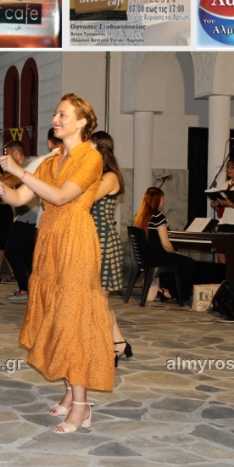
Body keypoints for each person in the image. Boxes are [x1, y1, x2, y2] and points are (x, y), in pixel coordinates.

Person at [0, 93, 115, 435]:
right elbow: (20, 197)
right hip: (50, 242)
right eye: (56, 114)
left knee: (73, 319)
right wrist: (0, 188)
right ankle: (71, 393)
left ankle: (81, 406)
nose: (55, 119)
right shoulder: (50, 161)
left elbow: (60, 197)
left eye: (63, 115)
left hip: (76, 240)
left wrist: (19, 170)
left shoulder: (91, 157)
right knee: (57, 317)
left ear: (82, 122)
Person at [89, 131, 132, 363]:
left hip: (103, 241)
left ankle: (106, 348)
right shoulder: (98, 174)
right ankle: (119, 343)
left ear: (100, 150)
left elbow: (86, 197)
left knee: (98, 302)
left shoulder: (110, 177)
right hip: (92, 239)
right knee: (98, 301)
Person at [5, 131, 63, 301]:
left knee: (14, 251)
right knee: (29, 254)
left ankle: (27, 288)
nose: (7, 158)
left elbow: (15, 183)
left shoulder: (36, 163)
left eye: (8, 154)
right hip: (39, 218)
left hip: (31, 217)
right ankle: (36, 288)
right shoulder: (48, 161)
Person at [134, 187, 195, 304]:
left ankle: (166, 290)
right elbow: (166, 245)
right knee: (188, 262)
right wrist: (174, 252)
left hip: (145, 257)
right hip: (156, 258)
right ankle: (181, 295)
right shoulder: (158, 217)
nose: (164, 200)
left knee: (173, 259)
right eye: (162, 198)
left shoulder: (140, 216)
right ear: (156, 200)